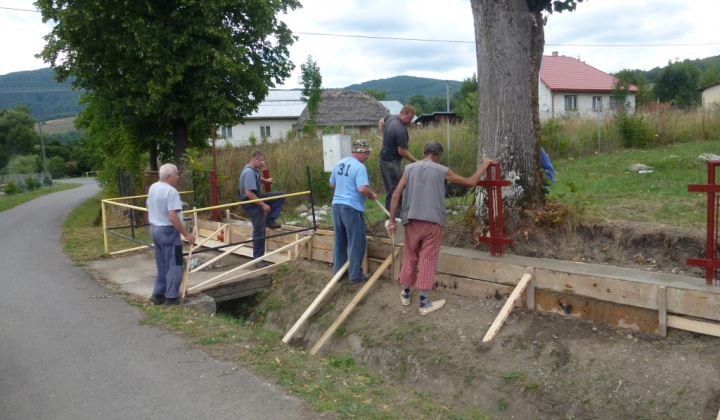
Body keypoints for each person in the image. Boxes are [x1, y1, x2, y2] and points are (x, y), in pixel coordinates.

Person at [387, 141, 492, 315]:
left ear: (423, 152)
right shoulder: (442, 170)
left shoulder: (409, 169)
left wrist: (391, 220)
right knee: (427, 259)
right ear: (438, 155)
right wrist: (484, 166)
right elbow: (471, 182)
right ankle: (424, 302)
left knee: (410, 255)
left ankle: (405, 294)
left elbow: (396, 194)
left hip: (411, 220)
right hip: (432, 222)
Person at [330, 139, 378, 284]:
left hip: (337, 205)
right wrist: (372, 194)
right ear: (362, 152)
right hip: (351, 207)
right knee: (356, 241)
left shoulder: (339, 163)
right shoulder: (359, 167)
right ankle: (355, 275)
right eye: (367, 153)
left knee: (340, 240)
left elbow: (332, 184)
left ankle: (338, 272)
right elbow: (362, 189)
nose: (368, 156)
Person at [147, 163, 196, 306]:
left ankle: (158, 294)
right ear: (168, 176)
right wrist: (186, 234)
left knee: (162, 263)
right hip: (168, 231)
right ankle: (172, 297)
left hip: (155, 229)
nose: (178, 177)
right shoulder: (171, 191)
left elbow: (148, 206)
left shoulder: (153, 187)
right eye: (176, 174)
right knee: (174, 265)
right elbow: (173, 216)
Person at [239, 151, 286, 268]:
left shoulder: (253, 170)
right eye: (261, 161)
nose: (262, 164)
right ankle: (258, 259)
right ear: (255, 160)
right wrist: (263, 205)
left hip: (257, 198)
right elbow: (249, 193)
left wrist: (266, 180)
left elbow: (257, 178)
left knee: (280, 196)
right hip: (251, 202)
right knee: (259, 230)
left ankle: (270, 219)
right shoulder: (248, 172)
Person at [378, 105, 418, 213]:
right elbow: (402, 151)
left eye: (411, 119)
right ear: (402, 114)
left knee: (390, 190)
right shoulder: (400, 130)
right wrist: (416, 162)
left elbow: (381, 122)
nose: (410, 122)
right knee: (397, 190)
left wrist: (384, 138)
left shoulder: (391, 118)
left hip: (383, 158)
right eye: (408, 119)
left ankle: (389, 216)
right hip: (391, 162)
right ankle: (396, 217)